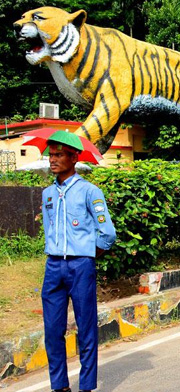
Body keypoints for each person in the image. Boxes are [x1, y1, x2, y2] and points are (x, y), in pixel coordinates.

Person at [40, 131, 116, 392]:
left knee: (86, 329)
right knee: (52, 331)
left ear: (74, 158)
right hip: (53, 267)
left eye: (58, 155)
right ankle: (59, 386)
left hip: (80, 266)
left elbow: (107, 233)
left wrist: (87, 256)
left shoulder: (89, 191)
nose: (52, 160)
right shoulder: (48, 194)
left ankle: (86, 386)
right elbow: (49, 230)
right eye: (50, 154)